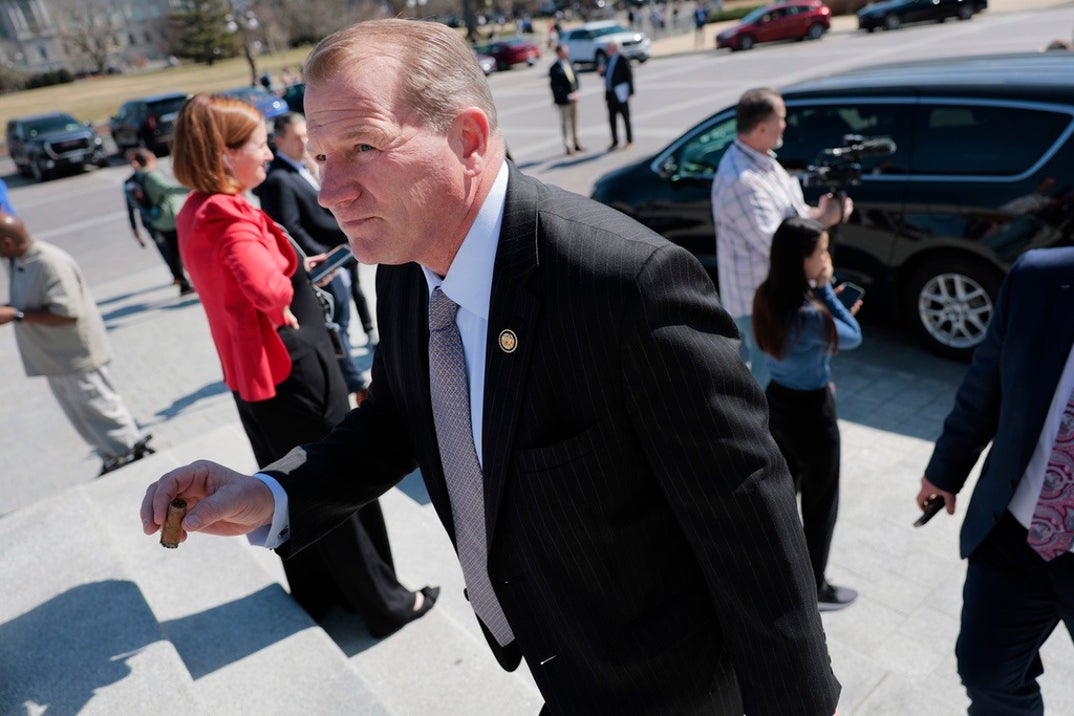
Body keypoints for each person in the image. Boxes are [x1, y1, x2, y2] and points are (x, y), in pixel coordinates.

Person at [143, 20, 840, 714]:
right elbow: (397, 417)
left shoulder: (627, 285)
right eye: (321, 156)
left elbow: (754, 529)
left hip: (672, 690)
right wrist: (272, 493)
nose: (329, 191)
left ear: (468, 139)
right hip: (561, 669)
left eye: (362, 147)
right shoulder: (405, 262)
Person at [169, 93, 437, 632]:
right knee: (332, 483)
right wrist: (283, 289)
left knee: (281, 486)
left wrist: (288, 266)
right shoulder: (228, 216)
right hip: (293, 370)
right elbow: (261, 284)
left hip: (255, 379)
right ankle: (384, 603)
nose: (269, 156)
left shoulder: (196, 209)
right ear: (224, 156)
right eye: (258, 146)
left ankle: (321, 594)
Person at [917, 246, 1074, 714]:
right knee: (984, 670)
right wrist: (946, 469)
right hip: (1015, 532)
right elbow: (987, 381)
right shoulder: (1041, 277)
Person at [753, 216, 862, 611]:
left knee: (783, 493)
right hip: (813, 414)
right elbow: (852, 336)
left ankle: (777, 569)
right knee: (821, 503)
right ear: (802, 260)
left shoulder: (765, 294)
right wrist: (828, 293)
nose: (827, 257)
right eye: (822, 252)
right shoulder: (812, 314)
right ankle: (814, 587)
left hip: (776, 401)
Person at [711, 87, 853, 389]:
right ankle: (761, 434)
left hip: (777, 294)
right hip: (759, 302)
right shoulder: (741, 181)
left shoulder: (765, 162)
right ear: (762, 126)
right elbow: (776, 245)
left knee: (779, 376)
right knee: (770, 382)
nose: (786, 125)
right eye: (782, 118)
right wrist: (826, 221)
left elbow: (794, 217)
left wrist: (821, 213)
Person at [0, 213, 153, 475]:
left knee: (101, 407)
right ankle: (112, 455)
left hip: (76, 356)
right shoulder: (18, 261)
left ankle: (131, 451)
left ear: (7, 243)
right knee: (82, 415)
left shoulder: (49, 262)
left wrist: (17, 314)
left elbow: (68, 312)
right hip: (54, 359)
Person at [256, 111, 371, 403]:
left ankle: (352, 378)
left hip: (338, 255)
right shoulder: (279, 180)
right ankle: (354, 384)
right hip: (322, 266)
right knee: (336, 328)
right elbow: (290, 228)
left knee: (342, 322)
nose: (304, 142)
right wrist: (321, 258)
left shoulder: (302, 167)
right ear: (278, 140)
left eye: (305, 134)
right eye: (296, 138)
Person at [124, 148, 194, 296]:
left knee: (171, 252)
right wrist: (193, 187)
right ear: (150, 159)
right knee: (182, 250)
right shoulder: (151, 176)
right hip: (169, 219)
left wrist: (135, 229)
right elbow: (167, 188)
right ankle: (186, 280)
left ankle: (181, 280)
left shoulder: (132, 180)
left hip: (154, 220)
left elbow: (131, 207)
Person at [548, 44, 585, 156]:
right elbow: (556, 87)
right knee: (566, 123)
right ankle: (568, 146)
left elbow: (575, 79)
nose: (566, 53)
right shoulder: (554, 68)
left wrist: (577, 91)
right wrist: (567, 96)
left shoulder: (569, 63)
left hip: (574, 97)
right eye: (564, 51)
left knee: (575, 122)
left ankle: (576, 142)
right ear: (558, 53)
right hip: (564, 100)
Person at [598, 41, 633, 151]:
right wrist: (601, 72)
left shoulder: (622, 58)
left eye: (608, 48)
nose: (606, 51)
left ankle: (629, 139)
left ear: (614, 48)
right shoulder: (607, 60)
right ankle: (614, 141)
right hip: (610, 94)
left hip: (621, 93)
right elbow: (607, 74)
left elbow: (629, 75)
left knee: (625, 118)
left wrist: (630, 91)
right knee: (612, 119)